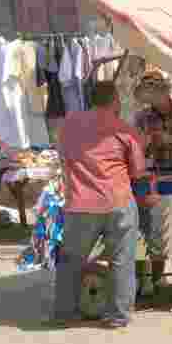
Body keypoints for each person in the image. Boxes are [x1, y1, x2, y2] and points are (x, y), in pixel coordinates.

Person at [51, 81, 145, 329]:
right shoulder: (124, 130)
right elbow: (138, 171)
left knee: (71, 260)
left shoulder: (68, 125)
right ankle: (117, 316)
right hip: (118, 202)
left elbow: (62, 155)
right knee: (122, 260)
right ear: (115, 100)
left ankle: (64, 314)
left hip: (81, 204)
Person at [131, 68, 172, 296]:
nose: (150, 101)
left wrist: (171, 140)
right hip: (156, 176)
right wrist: (146, 143)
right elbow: (134, 149)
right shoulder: (142, 117)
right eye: (146, 96)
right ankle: (154, 278)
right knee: (153, 226)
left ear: (164, 92)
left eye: (153, 94)